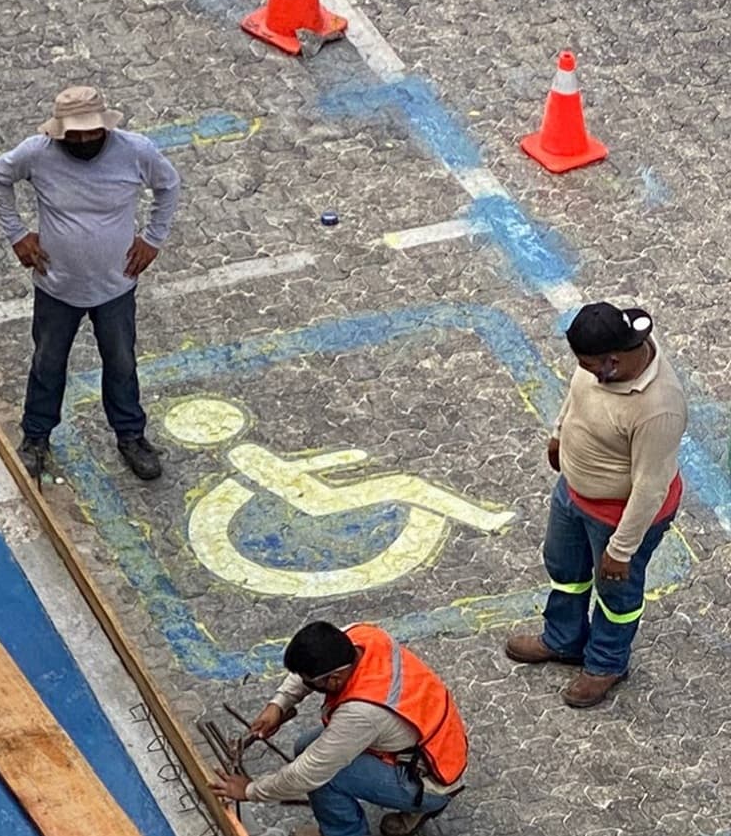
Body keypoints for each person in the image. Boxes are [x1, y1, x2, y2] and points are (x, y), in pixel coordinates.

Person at [0, 85, 181, 481]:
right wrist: (17, 234)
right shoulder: (37, 153)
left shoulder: (135, 151)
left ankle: (131, 436)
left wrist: (154, 239)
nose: (87, 139)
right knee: (47, 363)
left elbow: (169, 186)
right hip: (57, 287)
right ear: (60, 132)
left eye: (94, 132)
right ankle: (36, 438)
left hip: (116, 287)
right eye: (77, 134)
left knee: (122, 362)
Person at [506, 302, 687, 707]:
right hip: (573, 494)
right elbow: (575, 397)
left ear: (615, 360)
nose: (585, 371)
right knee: (564, 569)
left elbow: (650, 487)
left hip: (617, 518)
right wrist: (558, 436)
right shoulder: (598, 363)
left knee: (616, 595)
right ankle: (563, 638)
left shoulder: (659, 408)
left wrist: (621, 550)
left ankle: (606, 663)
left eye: (590, 365)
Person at [211, 622, 467, 836]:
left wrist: (249, 791)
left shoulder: (361, 713)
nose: (306, 684)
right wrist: (279, 704)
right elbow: (308, 674)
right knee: (305, 747)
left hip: (432, 779)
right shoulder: (359, 637)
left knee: (326, 778)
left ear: (334, 679)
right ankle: (409, 808)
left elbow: (307, 774)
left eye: (311, 682)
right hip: (429, 748)